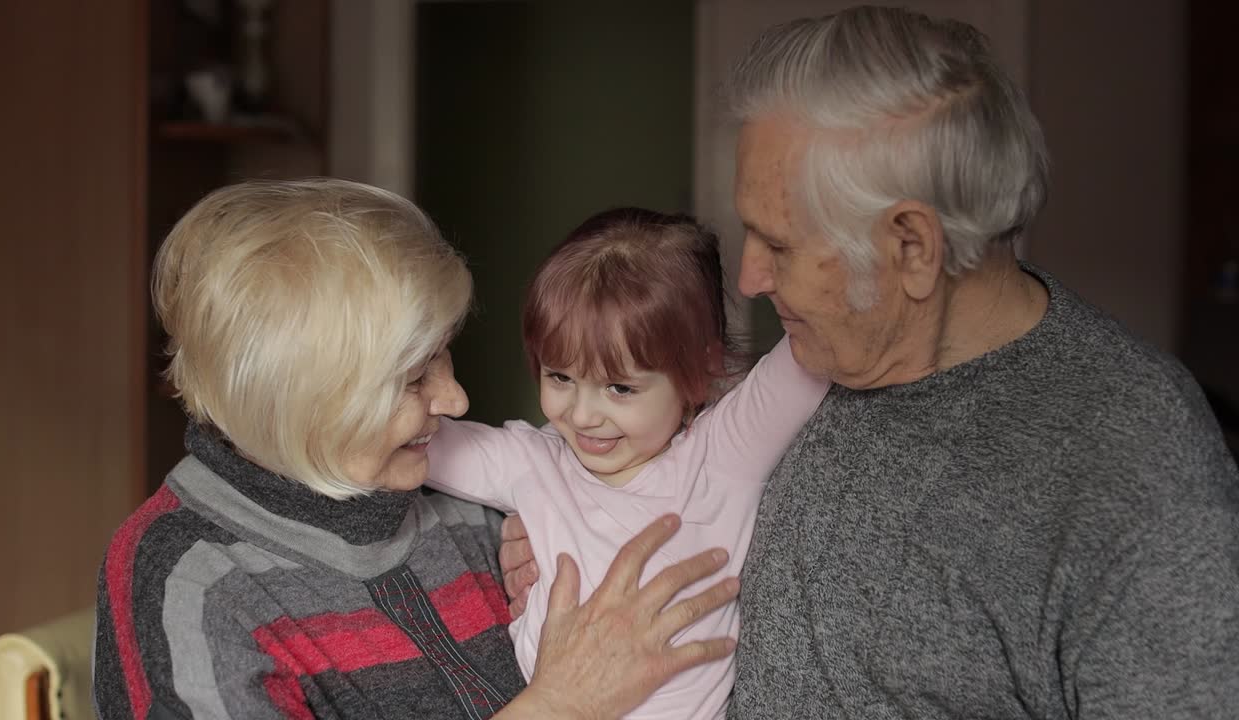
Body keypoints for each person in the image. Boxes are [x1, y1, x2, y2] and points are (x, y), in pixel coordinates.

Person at [500, 6, 1239, 718]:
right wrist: (573, 517)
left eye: (780, 245)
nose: (750, 278)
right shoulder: (821, 357)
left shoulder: (1138, 472)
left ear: (911, 247)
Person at [92, 179, 741, 720]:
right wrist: (560, 705)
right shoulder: (190, 579)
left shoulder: (466, 509)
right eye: (413, 377)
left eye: (444, 355)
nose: (457, 400)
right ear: (305, 399)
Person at [422, 208, 829, 719]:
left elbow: (821, 337)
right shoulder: (531, 462)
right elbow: (404, 433)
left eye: (620, 387)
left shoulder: (722, 454)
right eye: (560, 377)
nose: (584, 415)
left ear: (701, 373)